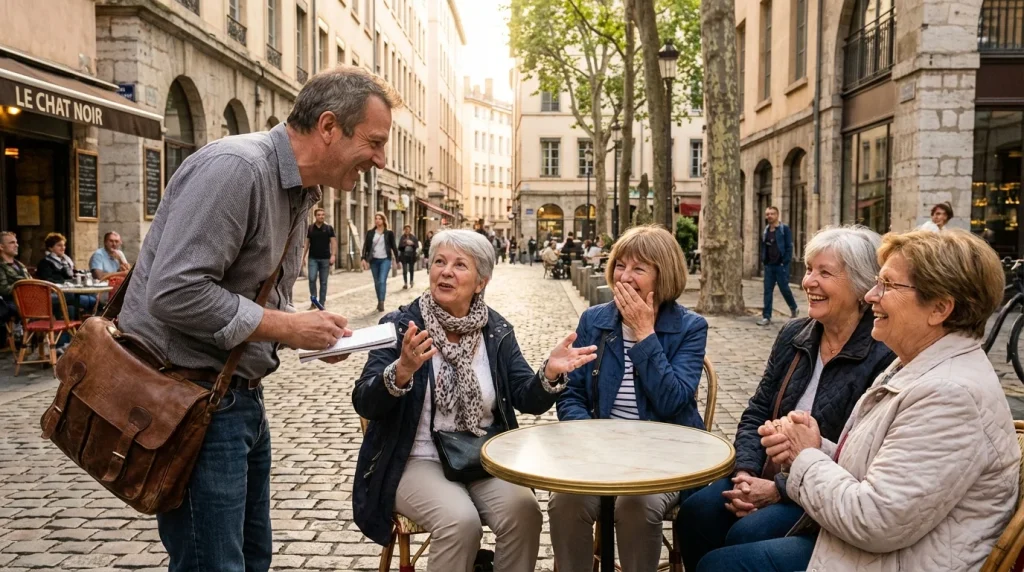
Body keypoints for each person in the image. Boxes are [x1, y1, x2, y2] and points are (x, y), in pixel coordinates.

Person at [118, 66, 396, 571]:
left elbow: (248, 297)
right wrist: (287, 327)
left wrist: (309, 331)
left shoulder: (299, 191)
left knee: (251, 559)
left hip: (236, 399)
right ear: (329, 127)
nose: (380, 159)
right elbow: (176, 291)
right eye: (374, 142)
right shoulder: (237, 169)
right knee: (214, 563)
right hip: (192, 401)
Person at [709, 229, 1021, 571]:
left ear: (940, 308)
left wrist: (805, 455)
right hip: (876, 545)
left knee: (724, 563)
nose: (872, 295)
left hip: (895, 558)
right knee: (709, 525)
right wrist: (818, 446)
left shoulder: (950, 394)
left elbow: (875, 521)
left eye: (887, 284)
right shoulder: (915, 365)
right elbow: (882, 474)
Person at [353, 229, 598, 572]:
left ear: (481, 282)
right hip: (414, 458)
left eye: (459, 265)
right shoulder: (399, 327)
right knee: (460, 521)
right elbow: (365, 401)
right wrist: (402, 370)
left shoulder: (495, 331)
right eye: (439, 261)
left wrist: (550, 373)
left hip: (482, 456)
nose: (446, 271)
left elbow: (525, 396)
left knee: (524, 513)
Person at [677, 226, 895, 571]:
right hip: (763, 472)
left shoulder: (882, 354)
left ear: (861, 286)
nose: (809, 281)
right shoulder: (796, 334)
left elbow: (856, 454)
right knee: (695, 513)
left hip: (824, 491)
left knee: (747, 534)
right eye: (809, 269)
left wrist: (779, 488)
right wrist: (745, 473)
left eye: (825, 272)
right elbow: (756, 410)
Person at [550, 225, 709, 572]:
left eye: (639, 268)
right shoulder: (595, 320)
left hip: (664, 455)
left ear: (662, 274)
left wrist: (644, 333)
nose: (625, 276)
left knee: (636, 506)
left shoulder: (689, 328)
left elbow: (673, 401)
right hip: (600, 453)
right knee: (565, 501)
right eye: (620, 265)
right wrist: (590, 436)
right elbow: (572, 393)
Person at [36, 232, 96, 319]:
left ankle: (89, 323)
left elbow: (72, 274)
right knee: (91, 301)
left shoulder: (66, 261)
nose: (63, 248)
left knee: (93, 294)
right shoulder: (45, 263)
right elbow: (48, 280)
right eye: (59, 245)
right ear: (50, 248)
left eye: (64, 245)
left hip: (70, 292)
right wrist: (67, 282)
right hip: (55, 294)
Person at [757, 206, 799, 326]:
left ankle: (793, 307)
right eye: (767, 214)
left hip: (780, 266)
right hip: (769, 267)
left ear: (777, 215)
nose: (769, 216)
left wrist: (785, 262)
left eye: (772, 214)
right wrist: (764, 261)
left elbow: (789, 247)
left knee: (784, 289)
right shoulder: (765, 231)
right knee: (767, 292)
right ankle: (766, 317)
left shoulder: (783, 229)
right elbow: (764, 247)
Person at [361, 212, 400, 312]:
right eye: (376, 219)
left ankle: (382, 302)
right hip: (374, 260)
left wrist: (398, 260)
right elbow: (366, 246)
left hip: (385, 260)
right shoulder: (370, 233)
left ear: (383, 220)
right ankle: (379, 300)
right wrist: (363, 258)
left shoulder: (389, 233)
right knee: (377, 282)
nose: (377, 220)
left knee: (382, 281)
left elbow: (394, 247)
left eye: (379, 218)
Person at [302, 208, 336, 308]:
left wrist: (333, 255)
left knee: (323, 282)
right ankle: (313, 301)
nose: (321, 216)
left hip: (325, 258)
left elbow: (333, 242)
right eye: (319, 215)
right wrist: (303, 257)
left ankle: (321, 303)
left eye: (322, 215)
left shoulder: (329, 228)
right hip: (313, 258)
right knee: (312, 279)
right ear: (315, 216)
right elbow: (307, 243)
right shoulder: (310, 228)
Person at [0, 231, 29, 337]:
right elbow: (3, 290)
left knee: (69, 302)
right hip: (15, 302)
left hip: (31, 298)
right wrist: (20, 284)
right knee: (67, 298)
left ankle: (63, 343)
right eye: (12, 243)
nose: (16, 245)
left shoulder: (19, 264)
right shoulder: (1, 266)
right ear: (1, 247)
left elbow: (30, 280)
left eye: (16, 242)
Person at [398, 224, 419, 289]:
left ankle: (411, 281)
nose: (407, 230)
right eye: (406, 229)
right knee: (404, 270)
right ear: (404, 230)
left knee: (411, 269)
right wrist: (406, 243)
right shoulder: (402, 237)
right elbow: (399, 247)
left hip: (411, 256)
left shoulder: (413, 237)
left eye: (408, 229)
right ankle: (405, 283)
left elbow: (417, 246)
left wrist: (412, 243)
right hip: (404, 256)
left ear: (410, 230)